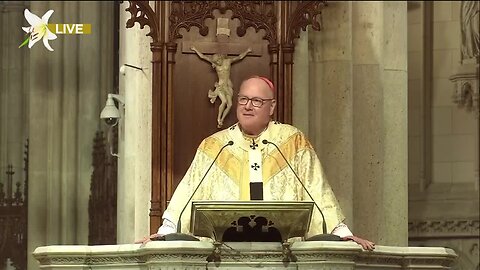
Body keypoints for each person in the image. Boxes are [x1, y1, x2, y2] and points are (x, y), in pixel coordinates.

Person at [138, 76, 375, 251]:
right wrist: (166, 231)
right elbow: (188, 191)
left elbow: (317, 189)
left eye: (257, 101)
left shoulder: (292, 141)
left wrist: (341, 233)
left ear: (271, 107)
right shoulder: (216, 145)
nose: (248, 106)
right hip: (228, 251)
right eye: (243, 99)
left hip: (283, 250)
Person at [191, 46, 252, 128]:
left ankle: (222, 118)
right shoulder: (215, 64)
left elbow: (239, 57)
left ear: (220, 58)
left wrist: (247, 51)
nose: (217, 62)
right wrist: (195, 50)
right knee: (223, 102)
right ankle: (219, 119)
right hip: (220, 86)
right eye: (215, 61)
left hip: (228, 85)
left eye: (218, 60)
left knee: (229, 105)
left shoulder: (228, 61)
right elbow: (203, 57)